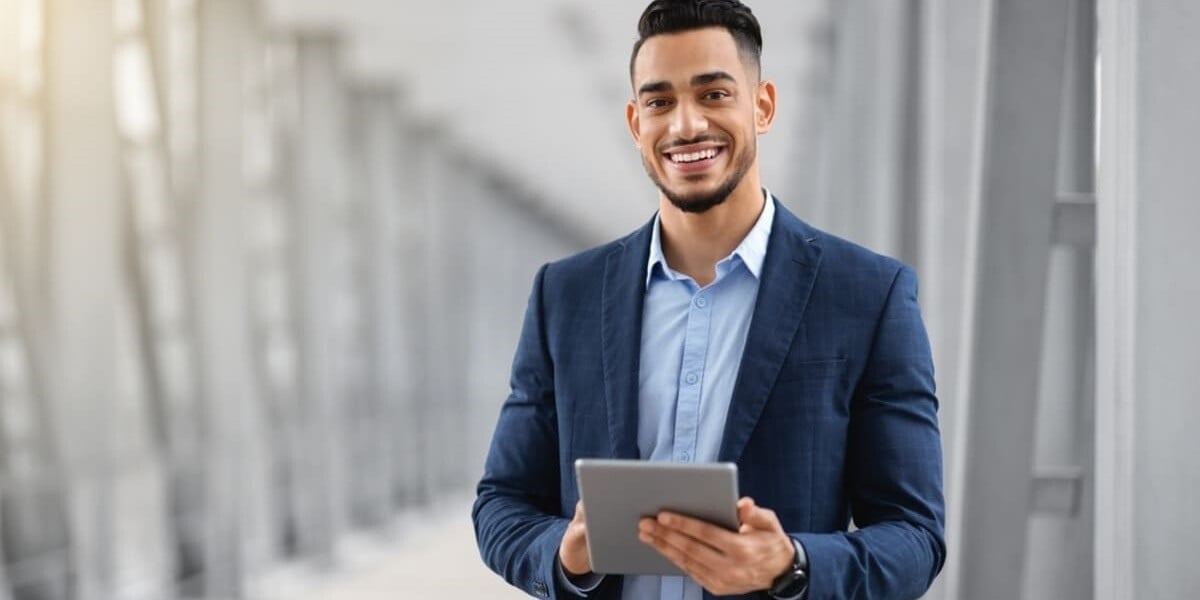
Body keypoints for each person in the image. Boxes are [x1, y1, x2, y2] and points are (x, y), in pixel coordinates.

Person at [472, 1, 946, 598]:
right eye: (659, 101)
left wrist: (792, 564)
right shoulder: (564, 296)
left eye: (714, 94)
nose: (686, 126)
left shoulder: (869, 296)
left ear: (763, 105)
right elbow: (501, 503)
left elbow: (914, 535)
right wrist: (563, 556)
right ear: (635, 121)